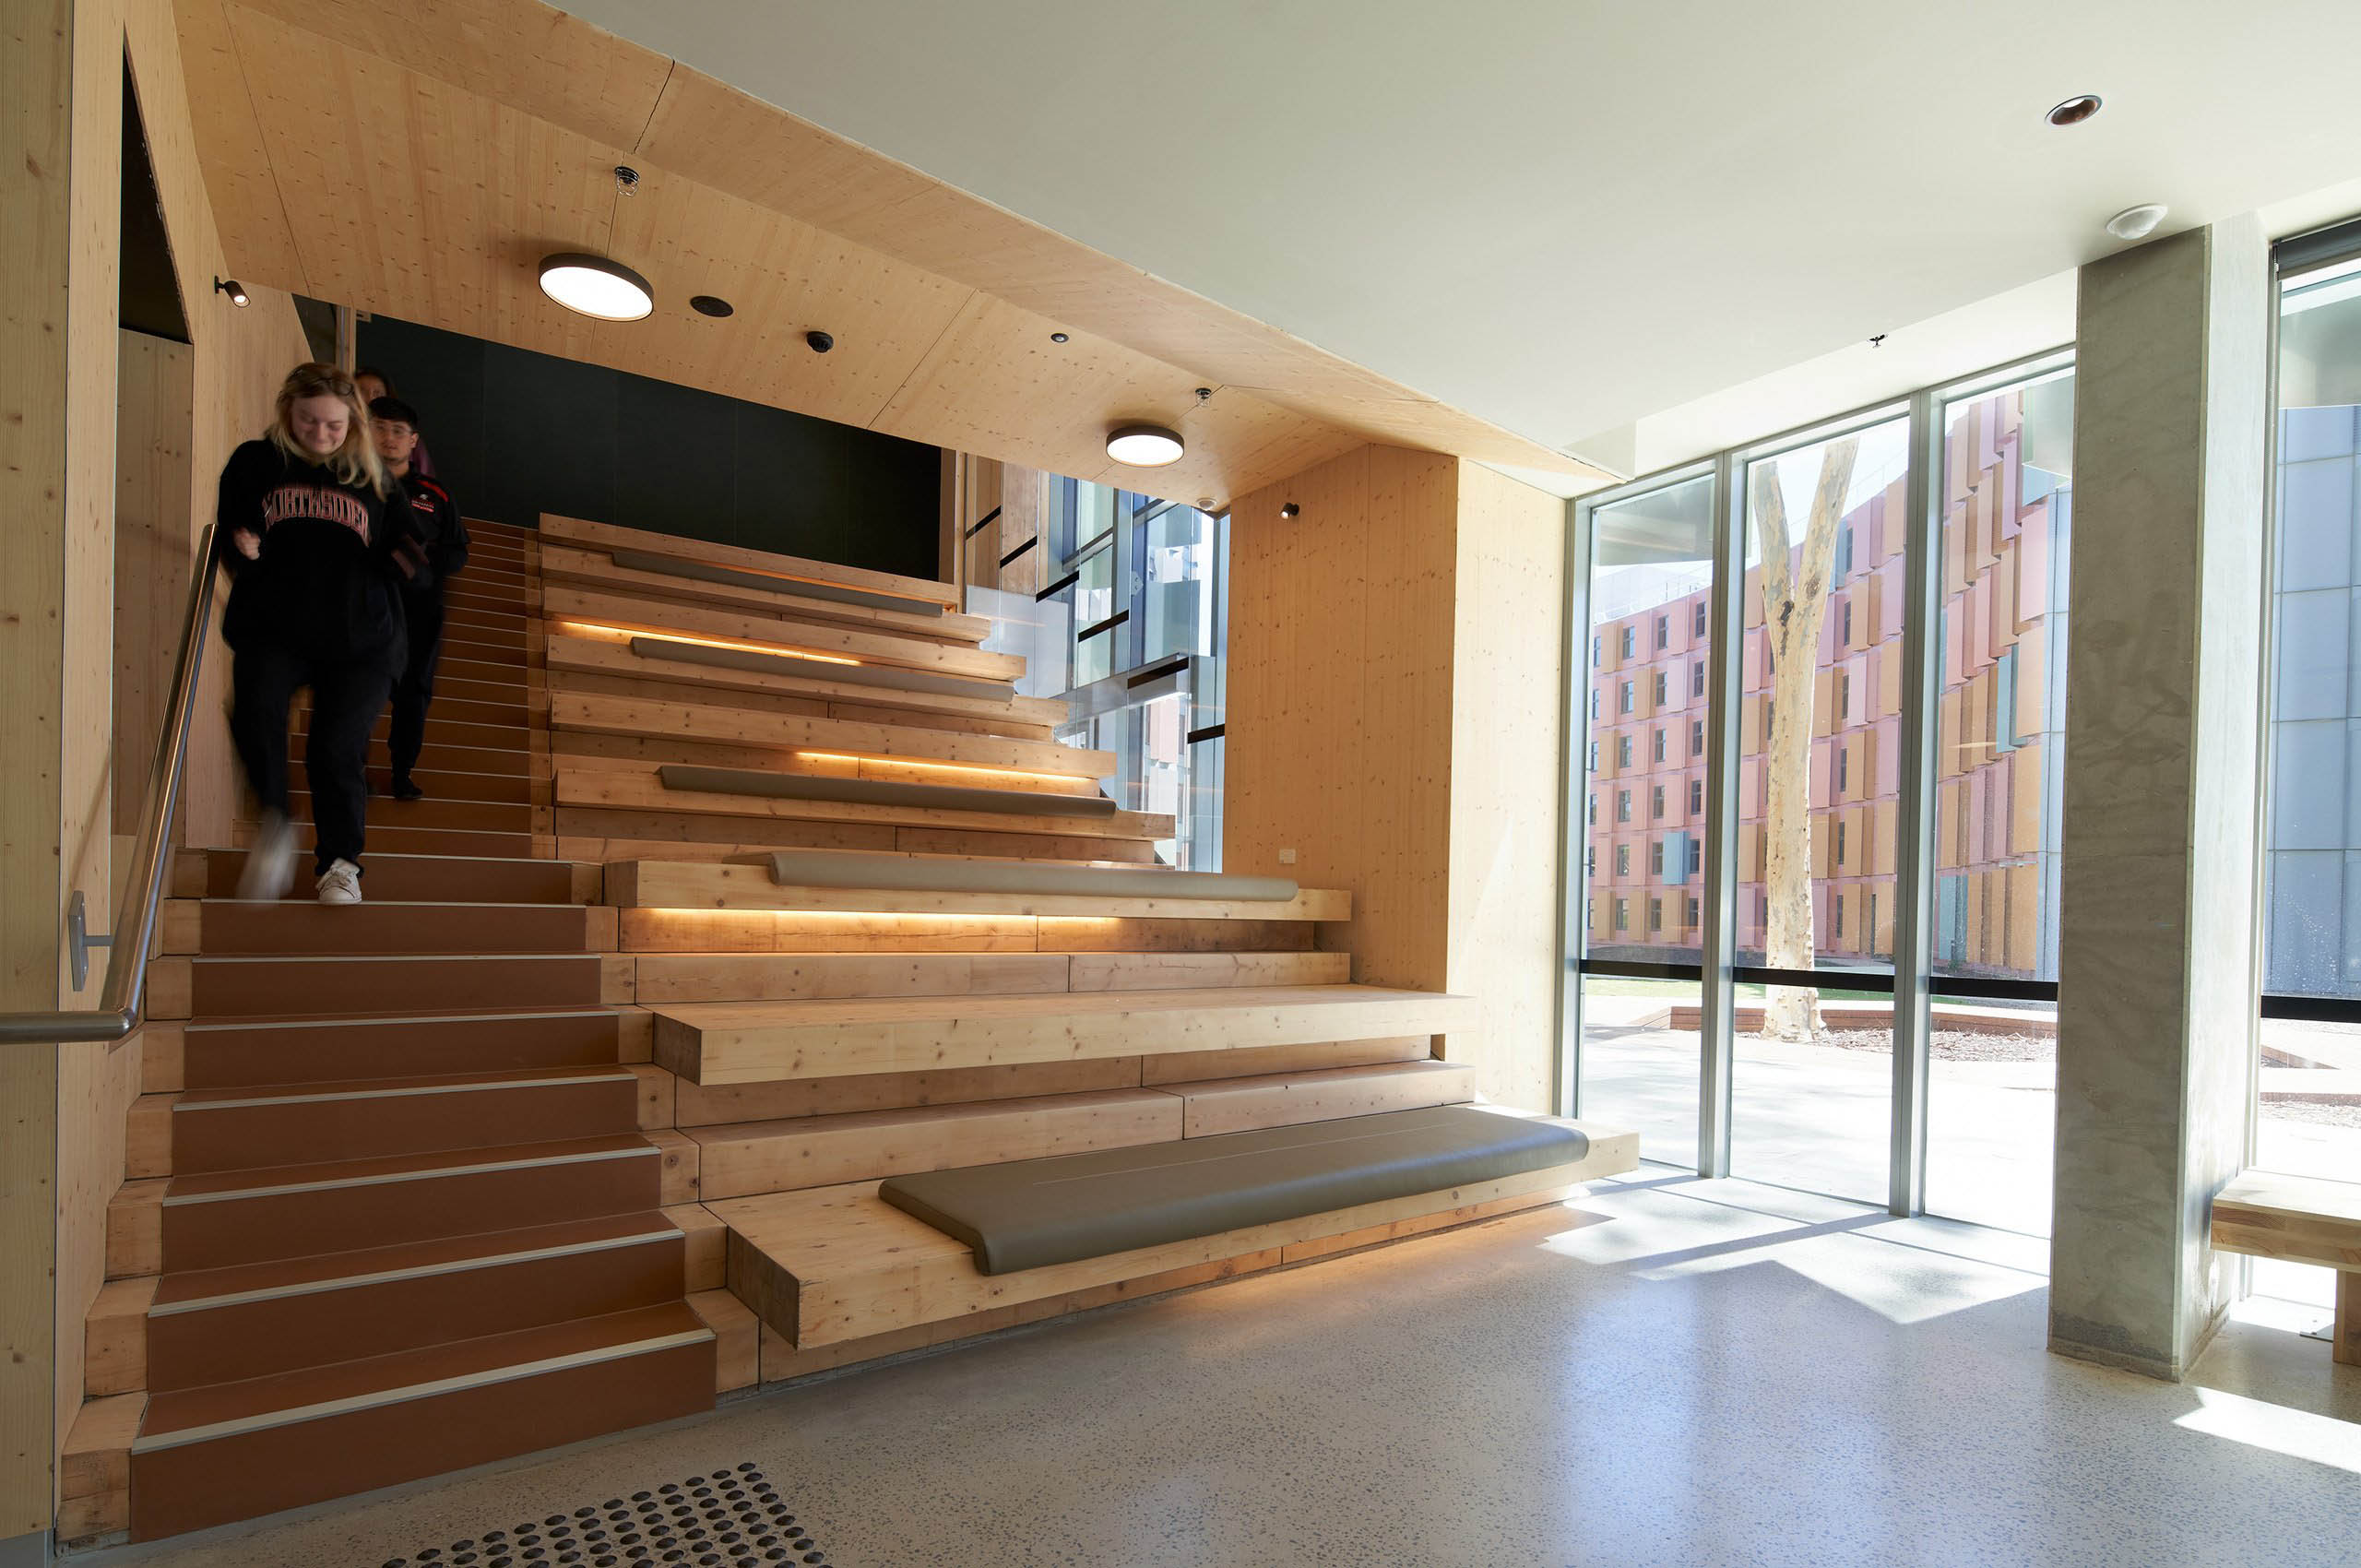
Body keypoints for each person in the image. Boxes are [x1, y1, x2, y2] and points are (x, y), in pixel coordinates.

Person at [216, 362, 429, 904]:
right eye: (309, 421)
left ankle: (340, 865)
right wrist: (240, 543)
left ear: (352, 423)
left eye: (334, 426)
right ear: (288, 412)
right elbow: (231, 527)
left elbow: (410, 546)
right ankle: (276, 822)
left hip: (360, 640)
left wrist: (402, 561)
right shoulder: (256, 462)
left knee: (336, 749)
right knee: (256, 713)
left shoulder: (372, 477)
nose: (321, 434)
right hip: (276, 624)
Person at [370, 396, 469, 799]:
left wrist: (420, 557)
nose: (389, 438)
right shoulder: (352, 483)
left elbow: (458, 551)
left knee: (413, 696)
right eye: (380, 428)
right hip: (366, 606)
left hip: (420, 614)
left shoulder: (435, 494)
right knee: (359, 689)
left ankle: (401, 772)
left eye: (398, 431)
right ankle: (349, 771)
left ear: (413, 441)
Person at [353, 366, 434, 476]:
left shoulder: (407, 438)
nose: (369, 398)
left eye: (377, 393)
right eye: (361, 392)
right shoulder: (340, 434)